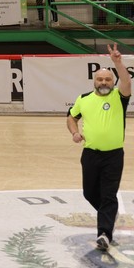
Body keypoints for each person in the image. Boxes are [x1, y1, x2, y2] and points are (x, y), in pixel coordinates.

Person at [66, 43, 131, 252]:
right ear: (94, 81)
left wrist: (117, 63)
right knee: (89, 193)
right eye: (100, 79)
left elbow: (127, 81)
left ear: (113, 81)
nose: (104, 82)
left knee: (108, 195)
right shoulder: (83, 99)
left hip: (113, 156)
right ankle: (109, 214)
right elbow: (71, 117)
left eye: (108, 79)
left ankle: (104, 233)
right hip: (90, 154)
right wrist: (74, 132)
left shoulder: (119, 98)